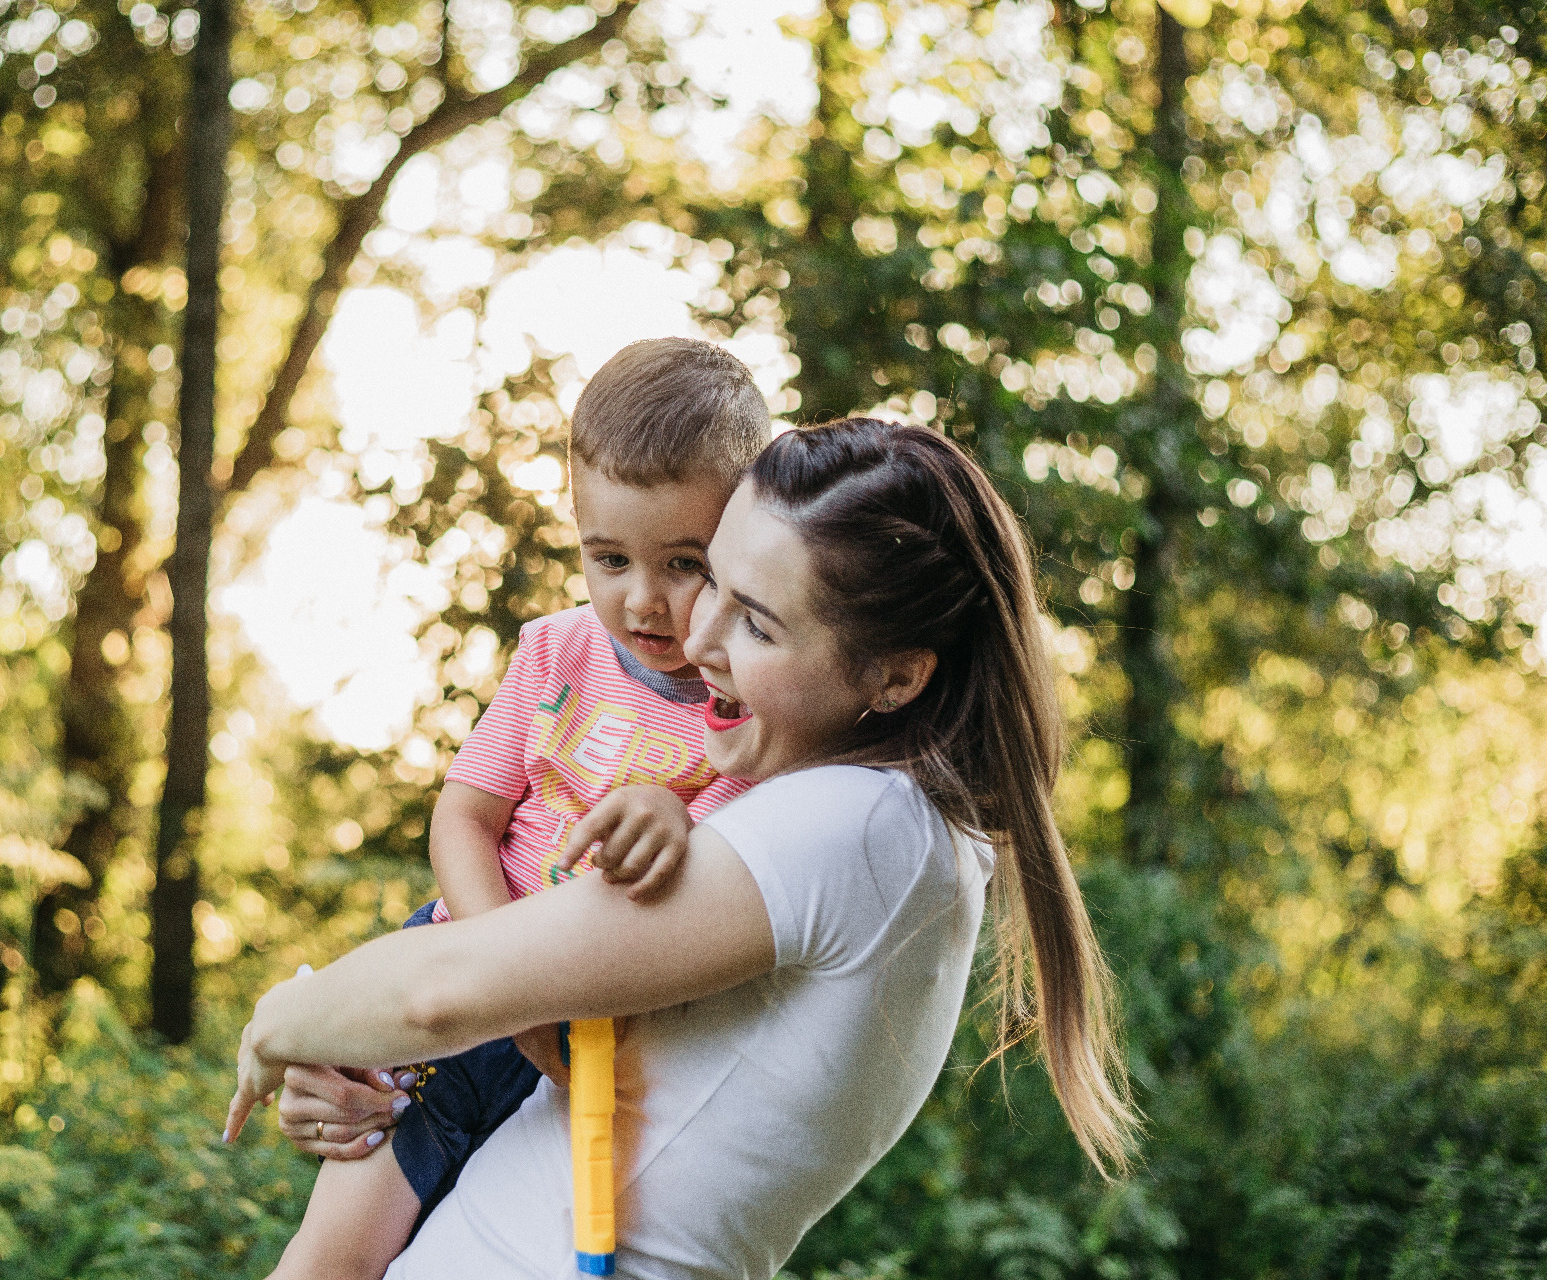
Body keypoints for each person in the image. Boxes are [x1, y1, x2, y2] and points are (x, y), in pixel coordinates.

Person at [227, 417, 1138, 1280]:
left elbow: (437, 996)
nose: (694, 640)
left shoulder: (852, 828)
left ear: (895, 677)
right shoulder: (866, 822)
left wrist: (283, 1024)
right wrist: (360, 1072)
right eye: (717, 584)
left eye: (756, 621)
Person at [264, 338, 773, 1280]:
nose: (643, 601)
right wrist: (498, 973)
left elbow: (739, 869)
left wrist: (673, 811)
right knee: (330, 1258)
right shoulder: (555, 653)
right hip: (459, 1002)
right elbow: (464, 819)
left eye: (685, 564)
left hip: (601, 1039)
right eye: (609, 558)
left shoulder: (751, 703)